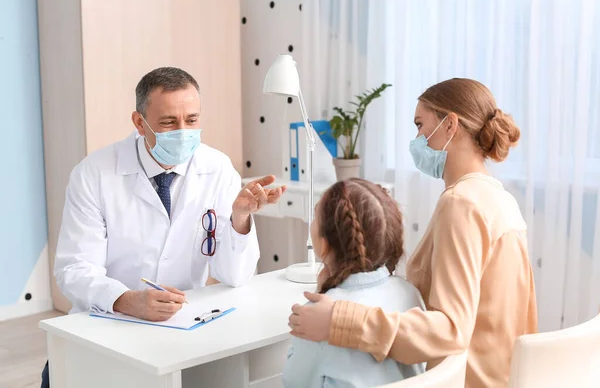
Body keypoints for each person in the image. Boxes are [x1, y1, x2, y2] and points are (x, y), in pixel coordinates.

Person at [41, 67, 285, 387]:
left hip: (183, 330)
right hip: (107, 324)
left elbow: (235, 276)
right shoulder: (94, 174)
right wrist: (127, 300)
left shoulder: (217, 168)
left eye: (192, 120)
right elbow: (73, 269)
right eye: (169, 122)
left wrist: (239, 219)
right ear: (140, 123)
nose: (183, 131)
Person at [288, 78, 538, 388]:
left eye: (420, 125)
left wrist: (339, 321)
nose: (417, 138)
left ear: (450, 125)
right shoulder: (501, 199)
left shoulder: (461, 204)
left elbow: (451, 329)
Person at [283, 179, 425, 388]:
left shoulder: (318, 316)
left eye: (315, 217)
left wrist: (327, 291)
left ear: (324, 246)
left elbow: (293, 382)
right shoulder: (409, 293)